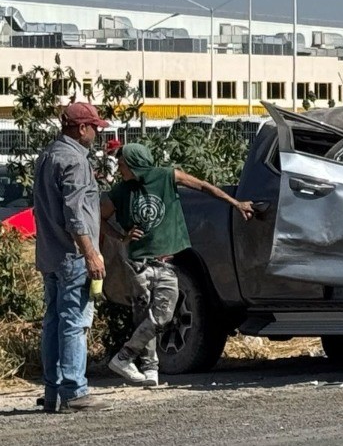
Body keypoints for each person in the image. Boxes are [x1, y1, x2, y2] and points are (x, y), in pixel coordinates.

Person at [102, 143, 254, 386]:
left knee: (161, 315)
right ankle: (150, 369)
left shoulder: (165, 176)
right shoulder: (121, 190)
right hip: (138, 264)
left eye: (122, 165)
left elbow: (202, 186)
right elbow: (100, 217)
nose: (120, 170)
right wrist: (122, 237)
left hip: (164, 263)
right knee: (145, 316)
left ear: (134, 164)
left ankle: (124, 356)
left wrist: (235, 203)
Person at [33, 102, 112, 412]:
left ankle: (53, 391)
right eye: (94, 127)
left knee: (53, 321)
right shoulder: (75, 161)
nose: (96, 133)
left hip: (50, 253)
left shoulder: (47, 155)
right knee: (74, 323)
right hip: (73, 255)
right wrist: (91, 254)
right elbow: (75, 215)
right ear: (82, 128)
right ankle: (75, 391)